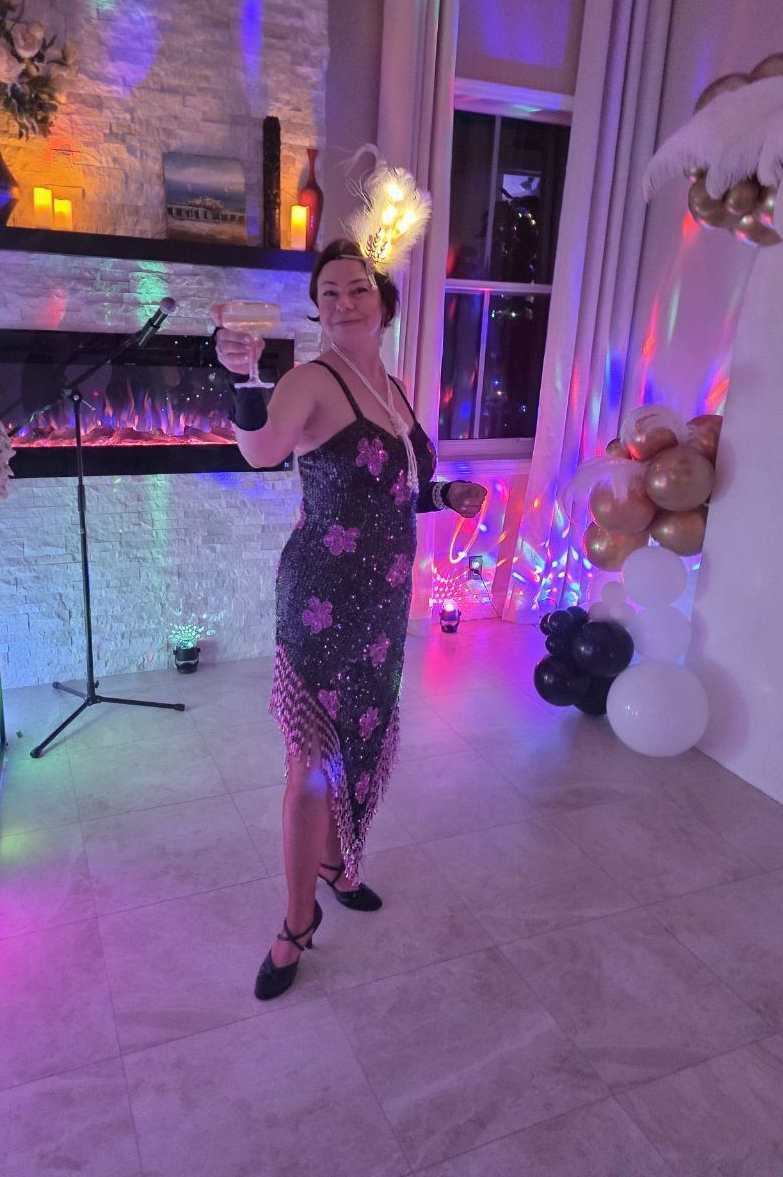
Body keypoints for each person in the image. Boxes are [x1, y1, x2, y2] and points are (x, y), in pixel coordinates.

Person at [216, 238, 486, 1000]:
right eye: (328, 292)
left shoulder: (393, 389)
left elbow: (397, 490)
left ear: (383, 302)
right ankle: (296, 922)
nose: (342, 302)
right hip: (321, 597)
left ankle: (336, 865)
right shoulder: (311, 379)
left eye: (356, 288)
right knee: (310, 761)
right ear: (318, 308)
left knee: (358, 739)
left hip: (383, 603)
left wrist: (448, 496)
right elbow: (262, 450)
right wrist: (242, 380)